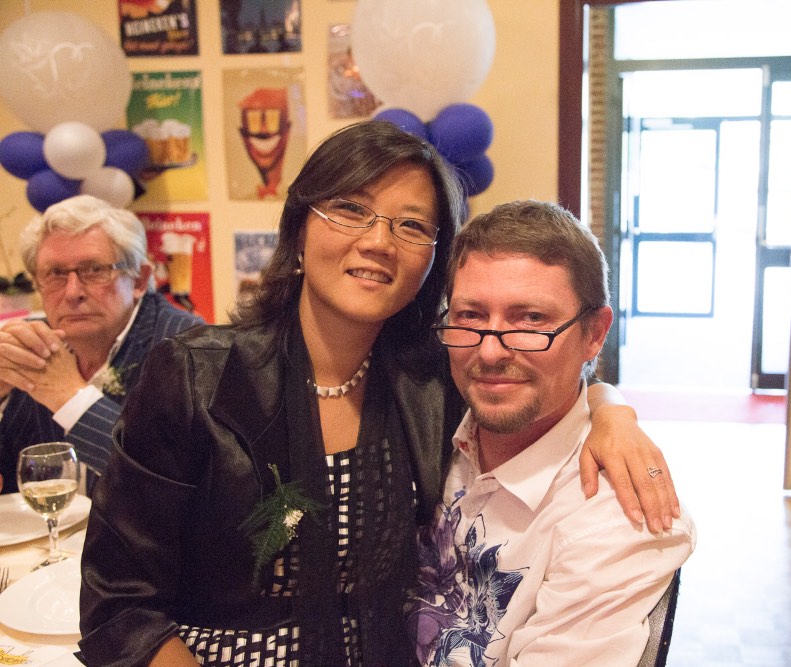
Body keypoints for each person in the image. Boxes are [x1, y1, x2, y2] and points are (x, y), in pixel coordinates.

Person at [79, 121, 676, 667]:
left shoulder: (432, 381)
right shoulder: (196, 377)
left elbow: (540, 366)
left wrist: (609, 411)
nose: (378, 241)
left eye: (411, 225)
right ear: (299, 226)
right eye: (350, 209)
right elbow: (119, 605)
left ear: (433, 261)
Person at [406, 200, 696, 665]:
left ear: (594, 333)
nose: (490, 352)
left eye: (531, 319)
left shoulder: (616, 519)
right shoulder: (431, 420)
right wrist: (610, 406)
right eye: (470, 315)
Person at [0, 194, 203, 493]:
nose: (72, 293)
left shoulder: (189, 348)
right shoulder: (31, 343)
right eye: (55, 274)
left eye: (95, 270)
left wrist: (70, 398)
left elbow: (172, 481)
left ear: (139, 279)